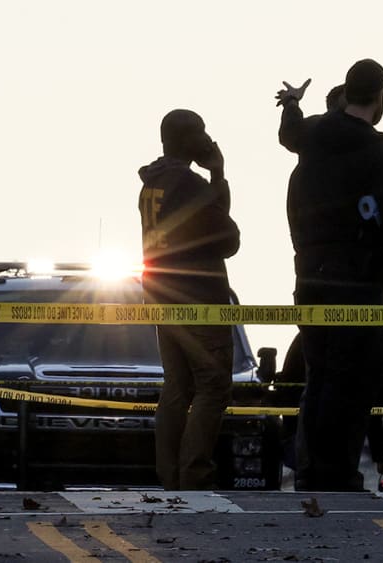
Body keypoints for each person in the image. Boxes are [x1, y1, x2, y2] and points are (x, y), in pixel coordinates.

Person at [286, 59, 383, 491]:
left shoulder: (313, 137)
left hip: (310, 275)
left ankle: (310, 471)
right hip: (359, 281)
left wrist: (291, 106)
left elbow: (289, 134)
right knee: (354, 381)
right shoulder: (379, 151)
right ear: (380, 96)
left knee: (319, 375)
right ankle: (338, 472)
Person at [138, 109, 241, 490]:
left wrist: (214, 179)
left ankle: (170, 476)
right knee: (213, 385)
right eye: (201, 132)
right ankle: (194, 474)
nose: (207, 139)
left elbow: (210, 218)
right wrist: (217, 174)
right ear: (186, 139)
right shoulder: (188, 184)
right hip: (198, 297)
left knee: (177, 387)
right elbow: (227, 236)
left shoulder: (153, 183)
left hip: (160, 293)